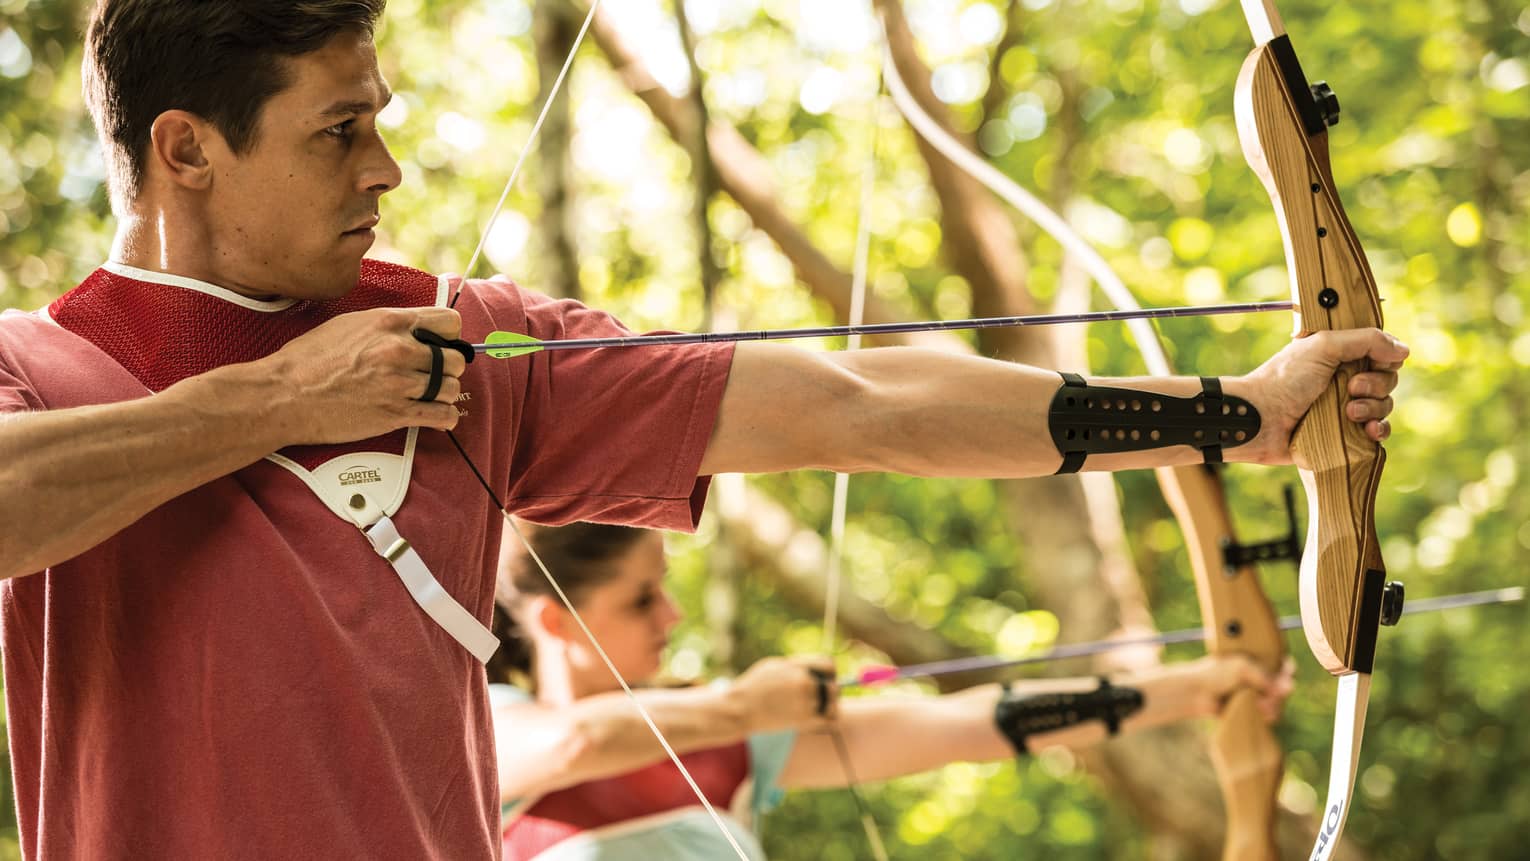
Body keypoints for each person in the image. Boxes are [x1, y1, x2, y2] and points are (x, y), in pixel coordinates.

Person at [0, 1, 1404, 858]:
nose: (388, 165)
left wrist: (1236, 418)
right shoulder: (34, 369)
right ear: (186, 149)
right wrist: (282, 404)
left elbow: (856, 403)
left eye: (381, 120)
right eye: (338, 129)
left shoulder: (452, 343)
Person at [488, 521, 1294, 860]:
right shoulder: (481, 728)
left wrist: (1187, 689)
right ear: (558, 622)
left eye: (664, 586)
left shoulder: (727, 739)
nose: (673, 613)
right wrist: (748, 706)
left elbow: (967, 726)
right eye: (640, 598)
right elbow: (578, 742)